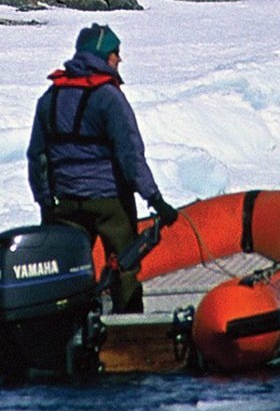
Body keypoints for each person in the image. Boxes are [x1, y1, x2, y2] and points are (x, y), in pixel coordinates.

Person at [26, 23, 177, 312]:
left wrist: (46, 201)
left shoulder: (50, 97)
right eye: (115, 53)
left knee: (68, 268)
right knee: (125, 264)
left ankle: (71, 329)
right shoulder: (109, 97)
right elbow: (131, 154)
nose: (119, 59)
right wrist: (154, 199)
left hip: (65, 203)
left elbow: (37, 156)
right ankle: (129, 331)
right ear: (103, 56)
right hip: (109, 202)